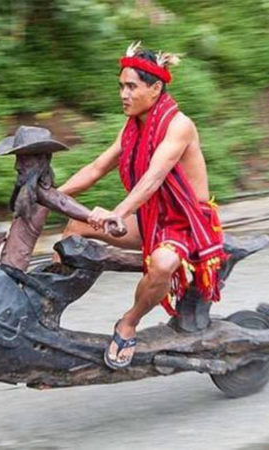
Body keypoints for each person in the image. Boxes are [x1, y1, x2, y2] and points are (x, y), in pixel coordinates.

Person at [58, 42, 225, 369]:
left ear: (155, 88)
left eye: (131, 86)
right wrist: (49, 195)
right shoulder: (132, 125)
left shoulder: (179, 125)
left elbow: (153, 178)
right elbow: (95, 169)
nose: (123, 94)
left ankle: (128, 323)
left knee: (162, 264)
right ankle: (47, 301)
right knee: (75, 227)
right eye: (121, 86)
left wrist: (117, 214)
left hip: (184, 223)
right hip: (152, 217)